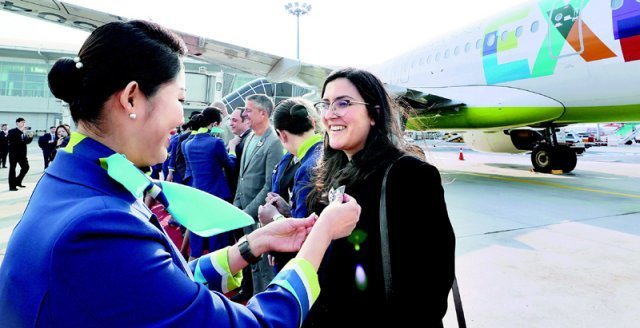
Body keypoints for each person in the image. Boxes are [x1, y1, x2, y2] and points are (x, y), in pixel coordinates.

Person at [0, 20, 361, 327]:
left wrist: (252, 245)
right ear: (131, 99)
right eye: (179, 99)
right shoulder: (99, 225)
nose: (181, 118)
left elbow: (163, 286)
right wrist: (320, 238)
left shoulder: (76, 183)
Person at [303, 68, 456, 327]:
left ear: (373, 114)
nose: (330, 114)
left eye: (343, 103)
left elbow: (434, 280)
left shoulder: (409, 175)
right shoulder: (329, 176)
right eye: (325, 104)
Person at [233, 94, 284, 301]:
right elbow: (242, 177)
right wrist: (236, 206)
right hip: (245, 212)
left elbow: (269, 185)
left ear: (263, 113)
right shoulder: (251, 137)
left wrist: (248, 212)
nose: (245, 114)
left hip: (259, 215)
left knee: (263, 265)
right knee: (250, 259)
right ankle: (253, 295)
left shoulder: (274, 142)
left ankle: (263, 303)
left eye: (249, 110)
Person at [7, 117, 33, 191]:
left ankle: (17, 181)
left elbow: (25, 142)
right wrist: (20, 131)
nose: (24, 123)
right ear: (17, 123)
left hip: (22, 154)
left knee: (26, 167)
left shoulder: (24, 132)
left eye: (24, 122)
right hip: (14, 154)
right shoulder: (12, 131)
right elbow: (10, 138)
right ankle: (12, 186)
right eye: (22, 122)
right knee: (12, 169)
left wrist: (30, 137)